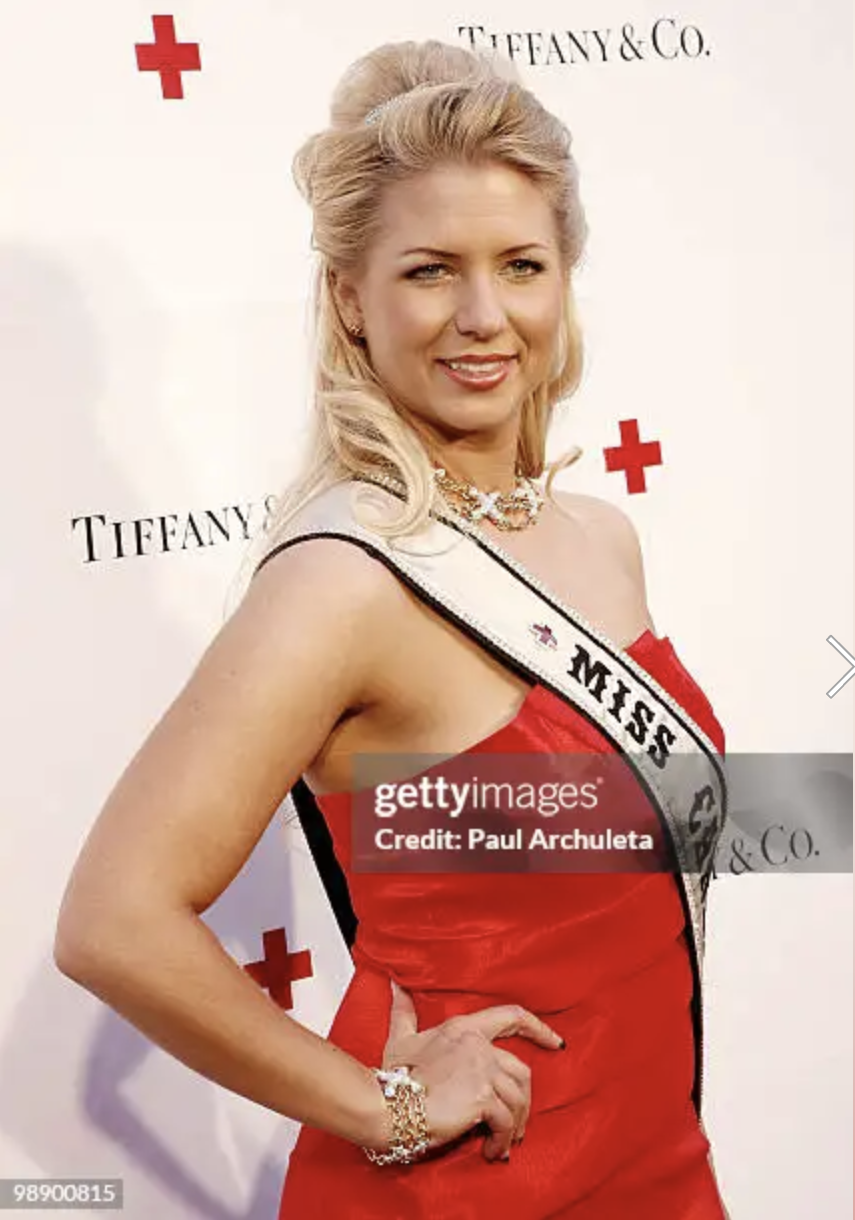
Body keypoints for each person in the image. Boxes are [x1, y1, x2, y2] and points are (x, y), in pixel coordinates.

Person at [54, 38, 731, 1219]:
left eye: (521, 264)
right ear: (348, 300)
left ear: (564, 276)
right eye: (429, 270)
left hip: (658, 1161)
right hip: (475, 1187)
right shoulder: (343, 580)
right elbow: (112, 917)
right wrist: (384, 1103)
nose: (483, 316)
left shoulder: (604, 536)